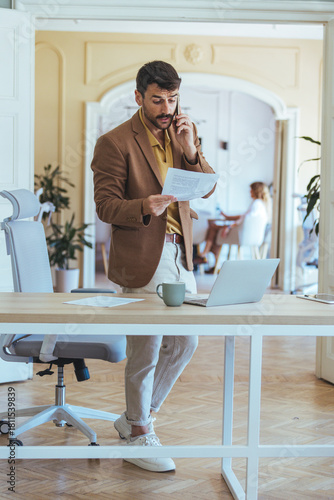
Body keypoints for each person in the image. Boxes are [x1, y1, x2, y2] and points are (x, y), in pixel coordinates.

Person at [91, 60, 215, 473]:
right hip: (146, 255)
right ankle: (140, 430)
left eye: (172, 99)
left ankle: (134, 419)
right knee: (146, 348)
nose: (166, 107)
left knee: (185, 342)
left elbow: (208, 183)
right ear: (139, 96)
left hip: (182, 254)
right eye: (158, 99)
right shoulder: (114, 142)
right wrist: (145, 205)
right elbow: (106, 206)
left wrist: (192, 149)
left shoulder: (183, 132)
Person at [198, 182, 271, 267]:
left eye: (251, 190)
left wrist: (229, 227)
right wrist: (227, 217)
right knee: (216, 230)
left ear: (255, 191)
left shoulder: (256, 203)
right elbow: (243, 216)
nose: (249, 192)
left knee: (213, 227)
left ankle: (205, 253)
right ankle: (212, 257)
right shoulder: (262, 205)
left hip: (241, 235)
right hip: (253, 237)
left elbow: (244, 218)